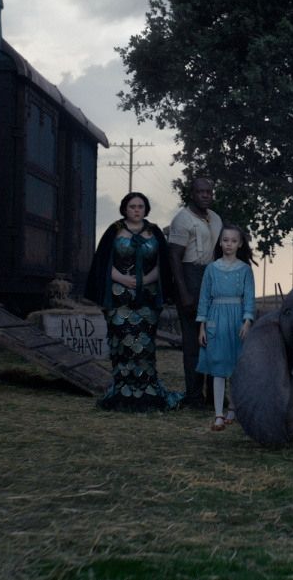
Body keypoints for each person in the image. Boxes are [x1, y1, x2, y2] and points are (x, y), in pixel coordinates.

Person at [85, 192, 183, 412]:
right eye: (132, 206)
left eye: (140, 206)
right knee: (122, 344)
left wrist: (143, 281)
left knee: (145, 347)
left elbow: (163, 265)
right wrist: (124, 279)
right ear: (125, 209)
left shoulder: (154, 232)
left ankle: (146, 393)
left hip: (147, 298)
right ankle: (123, 392)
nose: (136, 210)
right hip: (119, 297)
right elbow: (103, 261)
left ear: (146, 209)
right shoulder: (114, 230)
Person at [168, 177, 223, 408]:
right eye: (201, 192)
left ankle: (214, 395)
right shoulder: (182, 219)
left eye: (209, 191)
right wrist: (184, 293)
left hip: (211, 276)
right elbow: (174, 257)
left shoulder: (216, 218)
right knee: (193, 342)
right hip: (189, 276)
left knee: (215, 339)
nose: (205, 195)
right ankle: (194, 396)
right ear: (192, 194)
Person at [196, 225, 256, 431]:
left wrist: (247, 321)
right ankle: (219, 414)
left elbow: (249, 297)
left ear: (240, 244)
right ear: (220, 242)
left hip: (237, 320)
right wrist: (202, 326)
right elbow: (204, 298)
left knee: (236, 367)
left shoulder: (245, 270)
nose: (229, 244)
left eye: (233, 241)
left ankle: (233, 408)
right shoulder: (211, 269)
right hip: (215, 319)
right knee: (218, 366)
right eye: (225, 240)